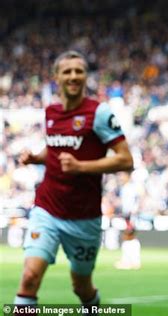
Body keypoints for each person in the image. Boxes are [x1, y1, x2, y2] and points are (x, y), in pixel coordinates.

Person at [14, 50, 133, 313]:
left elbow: (126, 160)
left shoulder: (99, 113)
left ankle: (92, 306)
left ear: (85, 77)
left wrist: (81, 167)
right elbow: (55, 150)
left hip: (84, 217)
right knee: (30, 277)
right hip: (47, 209)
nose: (73, 76)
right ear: (56, 77)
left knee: (81, 286)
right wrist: (36, 158)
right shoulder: (51, 112)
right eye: (67, 71)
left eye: (79, 71)